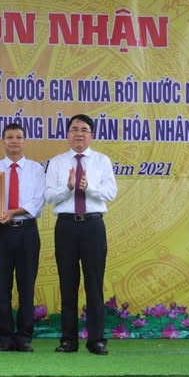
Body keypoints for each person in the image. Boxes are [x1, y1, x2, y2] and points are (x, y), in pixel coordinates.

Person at [44, 114, 117, 355]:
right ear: (67, 134)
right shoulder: (57, 162)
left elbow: (110, 193)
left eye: (84, 129)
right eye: (74, 129)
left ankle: (96, 340)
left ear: (91, 135)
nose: (79, 133)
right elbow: (49, 196)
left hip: (93, 226)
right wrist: (68, 188)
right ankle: (68, 340)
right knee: (68, 283)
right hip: (66, 226)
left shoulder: (101, 161)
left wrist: (89, 187)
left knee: (94, 284)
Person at [0, 123, 45, 353]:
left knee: (26, 286)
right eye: (9, 137)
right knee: (2, 286)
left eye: (18, 137)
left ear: (24, 141)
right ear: (3, 141)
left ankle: (24, 337)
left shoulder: (36, 169)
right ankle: (5, 338)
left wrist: (13, 212)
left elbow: (38, 202)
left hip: (26, 231)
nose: (14, 141)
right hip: (0, 232)